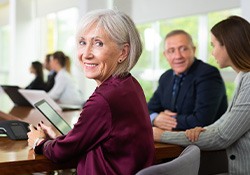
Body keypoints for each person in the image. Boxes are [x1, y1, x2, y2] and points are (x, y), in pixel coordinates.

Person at [27, 9, 155, 175]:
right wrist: (63, 138)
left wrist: (39, 141)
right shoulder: (129, 83)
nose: (85, 54)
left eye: (98, 43)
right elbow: (97, 135)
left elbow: (60, 153)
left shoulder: (105, 98)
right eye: (82, 42)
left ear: (123, 52)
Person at [153, 15, 250, 174]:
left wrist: (162, 135)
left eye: (214, 45)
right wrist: (157, 119)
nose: (212, 53)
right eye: (171, 51)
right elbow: (224, 122)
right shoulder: (243, 78)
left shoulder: (214, 75)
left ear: (229, 46)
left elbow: (221, 136)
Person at [148, 29, 228, 131]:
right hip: (172, 141)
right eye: (171, 51)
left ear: (193, 50)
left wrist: (164, 120)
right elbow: (147, 109)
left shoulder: (208, 74)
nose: (178, 56)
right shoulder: (166, 77)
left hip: (202, 144)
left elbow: (202, 120)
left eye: (183, 49)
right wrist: (155, 118)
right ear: (165, 55)